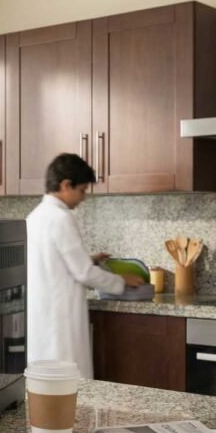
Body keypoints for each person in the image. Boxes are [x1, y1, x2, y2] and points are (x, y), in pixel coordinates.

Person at [26, 153, 143, 378]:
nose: (84, 197)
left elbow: (52, 263)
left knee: (45, 382)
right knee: (71, 382)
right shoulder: (61, 218)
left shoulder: (34, 217)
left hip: (41, 318)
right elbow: (84, 273)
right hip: (61, 319)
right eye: (82, 190)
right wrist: (122, 281)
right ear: (65, 185)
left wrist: (88, 259)